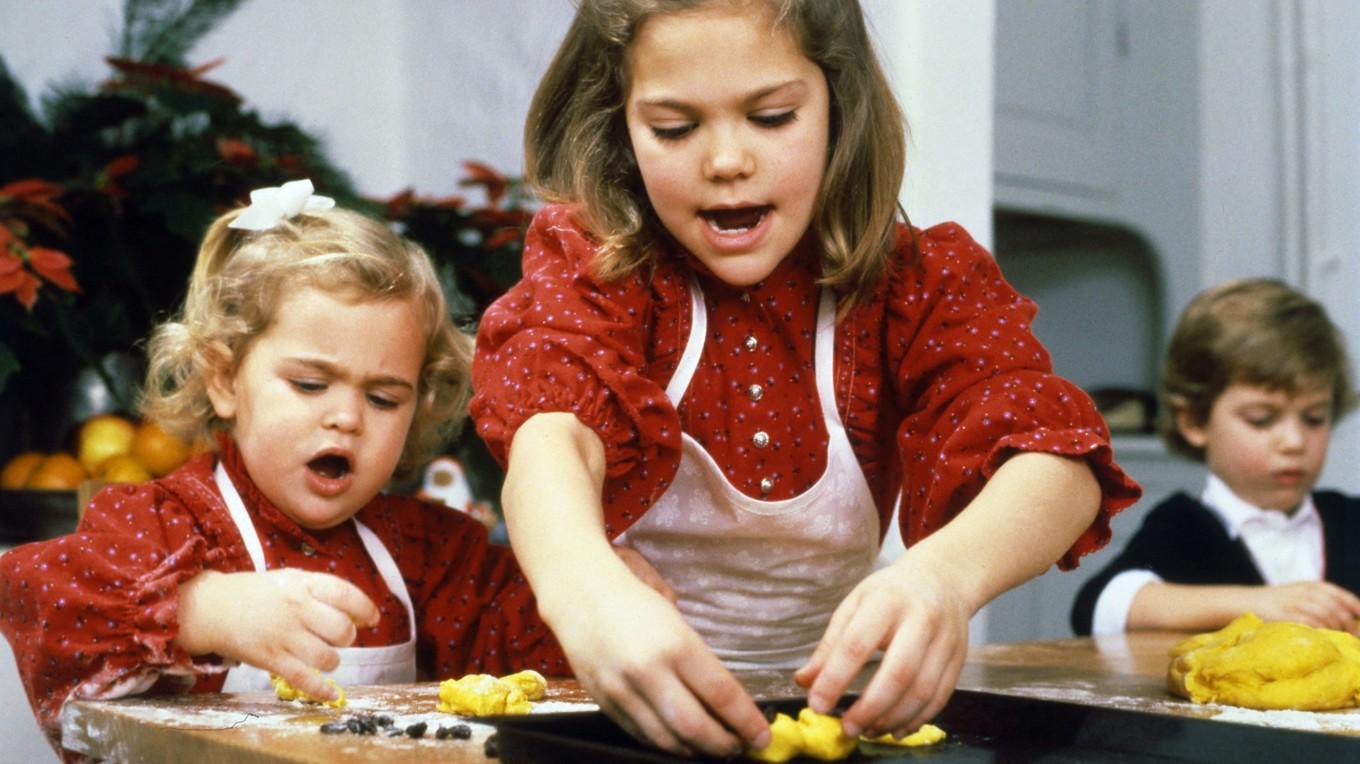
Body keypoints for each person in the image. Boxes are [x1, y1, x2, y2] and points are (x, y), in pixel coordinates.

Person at [470, 1, 1142, 757]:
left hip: (819, 718)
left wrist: (944, 580)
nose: (726, 160)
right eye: (674, 128)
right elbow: (550, 435)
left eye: (773, 116)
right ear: (619, 127)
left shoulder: (917, 288)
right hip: (589, 721)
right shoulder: (600, 269)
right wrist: (585, 594)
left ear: (838, 106)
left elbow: (1054, 461)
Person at [0, 180, 567, 755]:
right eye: (310, 384)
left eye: (383, 398)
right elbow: (34, 594)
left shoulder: (424, 553)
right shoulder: (166, 527)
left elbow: (534, 636)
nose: (347, 417)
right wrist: (202, 609)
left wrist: (587, 587)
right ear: (225, 380)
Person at [1071, 278, 1360, 637]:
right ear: (1194, 420)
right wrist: (1259, 604)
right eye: (1262, 419)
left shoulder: (1349, 519)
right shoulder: (1184, 526)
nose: (1294, 441)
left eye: (1314, 418)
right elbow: (1098, 606)